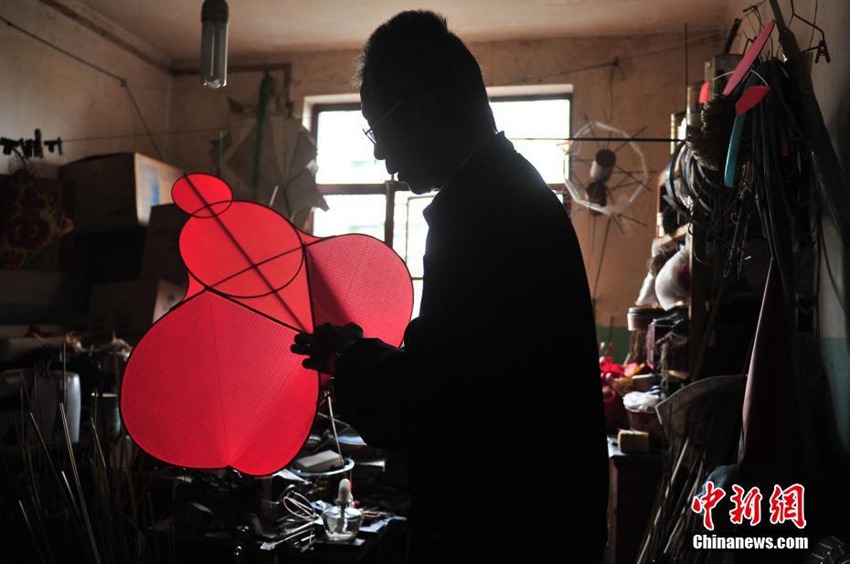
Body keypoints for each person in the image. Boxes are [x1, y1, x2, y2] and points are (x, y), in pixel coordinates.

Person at [292, 10, 608, 562]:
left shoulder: (481, 216)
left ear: (423, 111)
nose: (377, 152)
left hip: (508, 531)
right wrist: (361, 355)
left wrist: (352, 363)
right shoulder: (509, 194)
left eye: (376, 128)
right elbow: (467, 367)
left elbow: (435, 402)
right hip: (544, 520)